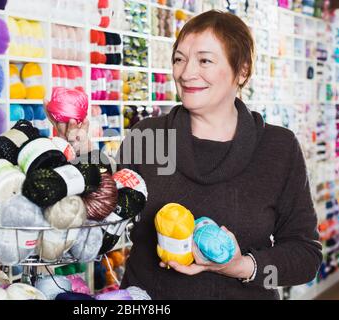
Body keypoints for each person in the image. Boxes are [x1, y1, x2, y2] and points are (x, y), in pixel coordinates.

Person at [48, 10, 322, 300]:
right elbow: (104, 207)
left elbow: (306, 259)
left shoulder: (277, 147)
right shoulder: (148, 135)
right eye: (179, 59)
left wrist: (242, 267)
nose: (186, 72)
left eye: (204, 60)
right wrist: (79, 151)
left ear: (241, 70)